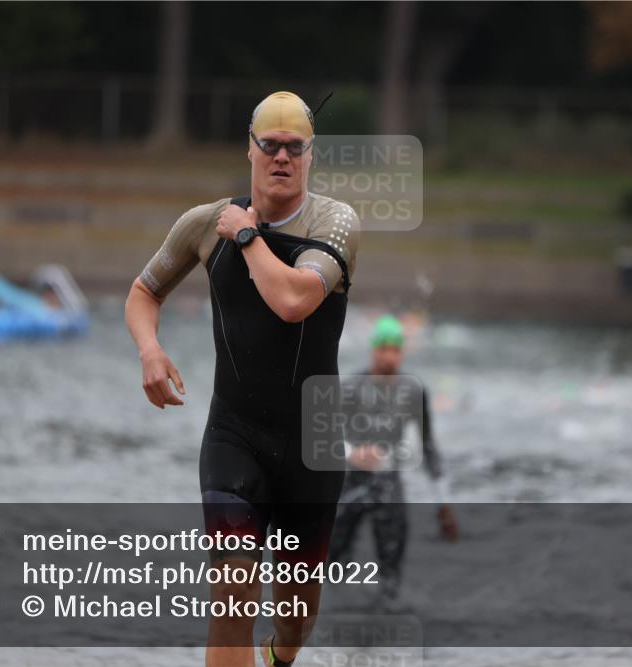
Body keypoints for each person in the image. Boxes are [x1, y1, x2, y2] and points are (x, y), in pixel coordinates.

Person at [125, 91, 359, 667]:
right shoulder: (204, 224)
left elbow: (292, 302)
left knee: (296, 615)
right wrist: (150, 350)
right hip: (235, 433)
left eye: (294, 147)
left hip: (314, 441)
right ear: (250, 150)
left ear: (310, 154)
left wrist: (247, 236)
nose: (282, 157)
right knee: (231, 602)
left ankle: (280, 659)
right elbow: (143, 292)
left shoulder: (336, 222)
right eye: (271, 145)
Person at [328, 315, 458, 609]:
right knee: (330, 563)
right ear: (373, 350)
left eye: (394, 349)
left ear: (402, 352)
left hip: (389, 483)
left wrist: (444, 503)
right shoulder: (351, 388)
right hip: (351, 483)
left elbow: (428, 446)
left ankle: (383, 622)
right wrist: (353, 453)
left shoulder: (413, 392)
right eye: (383, 348)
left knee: (391, 574)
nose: (388, 356)